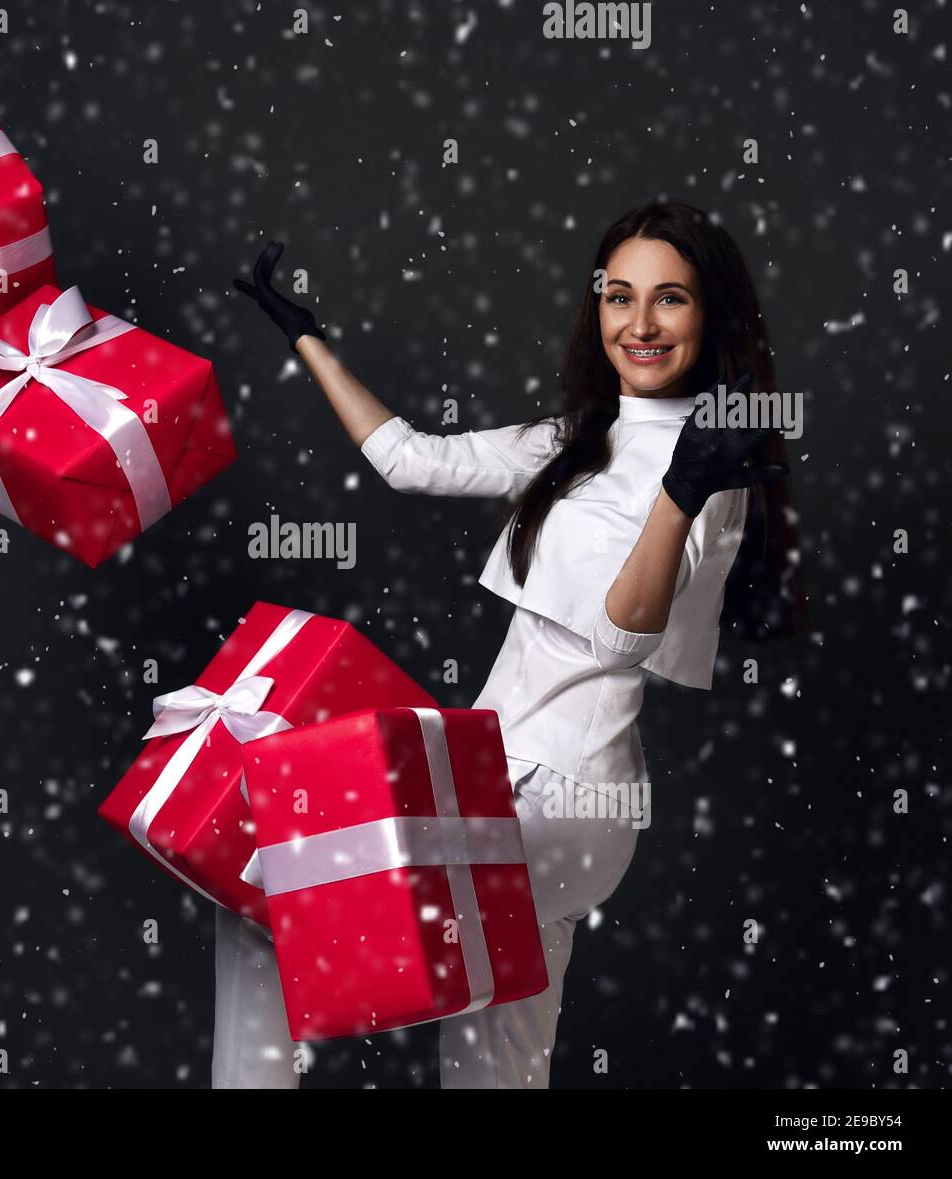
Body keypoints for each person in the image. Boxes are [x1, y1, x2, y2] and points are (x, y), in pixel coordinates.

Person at [218, 201, 805, 1088]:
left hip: (557, 797)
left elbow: (622, 636)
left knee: (272, 883)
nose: (640, 324)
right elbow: (412, 459)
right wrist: (306, 338)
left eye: (671, 298)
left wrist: (681, 493)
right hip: (509, 786)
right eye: (620, 296)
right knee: (495, 1063)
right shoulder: (579, 438)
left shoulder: (712, 464)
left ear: (711, 313)